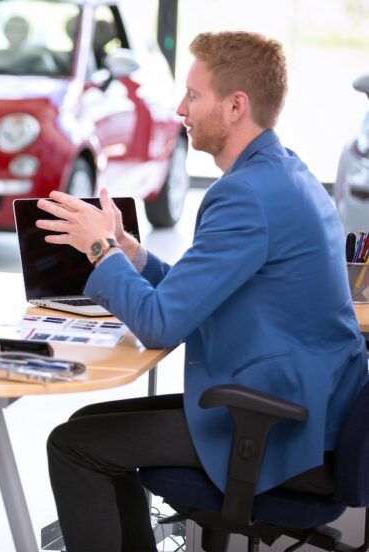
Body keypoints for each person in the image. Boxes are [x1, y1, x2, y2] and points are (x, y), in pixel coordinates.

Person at [37, 31, 368, 551]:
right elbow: (193, 297)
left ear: (236, 105)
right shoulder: (283, 174)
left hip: (280, 425)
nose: (179, 108)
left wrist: (100, 250)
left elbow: (160, 324)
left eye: (193, 95)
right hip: (308, 407)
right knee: (88, 426)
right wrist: (130, 251)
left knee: (75, 446)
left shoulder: (244, 195)